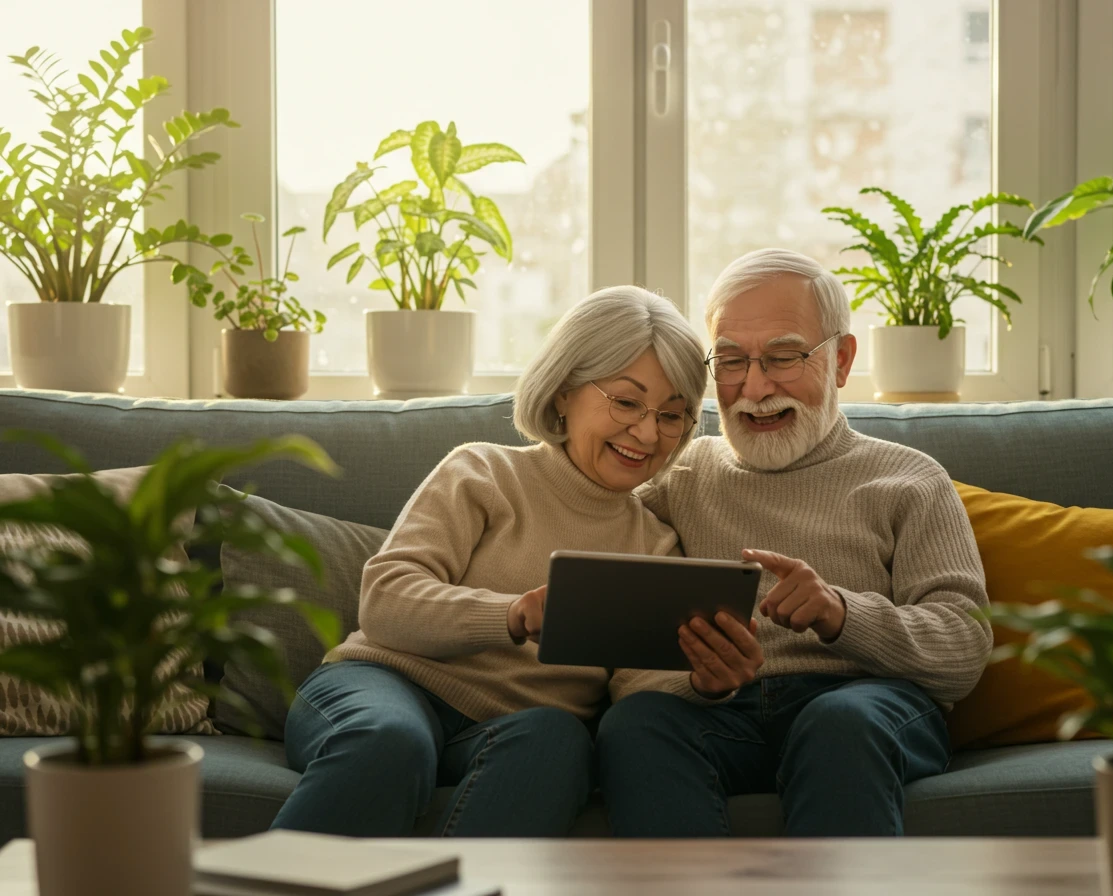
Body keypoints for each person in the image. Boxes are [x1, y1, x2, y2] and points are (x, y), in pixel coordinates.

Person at [271, 285, 715, 837]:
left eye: (672, 415)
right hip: (384, 684)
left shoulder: (655, 545)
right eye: (626, 402)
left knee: (560, 742)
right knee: (392, 740)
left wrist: (705, 681)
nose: (648, 433)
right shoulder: (483, 472)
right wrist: (512, 615)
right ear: (563, 392)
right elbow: (384, 601)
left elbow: (638, 695)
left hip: (517, 730)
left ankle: (471, 876)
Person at [601, 248, 992, 837]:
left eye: (783, 357)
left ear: (842, 360)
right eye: (731, 361)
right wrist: (698, 678)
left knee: (839, 723)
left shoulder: (911, 478)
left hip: (864, 704)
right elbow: (607, 594)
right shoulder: (679, 476)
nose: (755, 387)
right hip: (723, 711)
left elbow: (964, 646)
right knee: (635, 724)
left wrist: (842, 613)